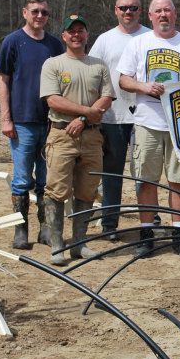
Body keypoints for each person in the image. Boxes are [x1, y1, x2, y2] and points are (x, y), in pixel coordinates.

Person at [118, 0, 180, 258]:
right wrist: (143, 86)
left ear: (175, 14)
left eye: (167, 10)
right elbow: (124, 80)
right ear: (150, 16)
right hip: (147, 123)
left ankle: (178, 234)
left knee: (178, 180)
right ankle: (146, 235)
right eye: (158, 11)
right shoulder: (139, 44)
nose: (163, 15)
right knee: (146, 180)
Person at [39, 14, 115, 265]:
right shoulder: (53, 64)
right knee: (57, 190)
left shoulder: (98, 65)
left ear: (86, 35)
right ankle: (58, 244)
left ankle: (79, 245)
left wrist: (83, 120)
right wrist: (84, 112)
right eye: (71, 31)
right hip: (61, 136)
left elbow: (106, 97)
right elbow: (53, 100)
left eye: (81, 30)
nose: (76, 35)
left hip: (92, 137)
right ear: (64, 36)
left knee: (87, 190)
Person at [0, 0, 64, 250]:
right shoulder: (13, 42)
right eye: (34, 11)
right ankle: (20, 231)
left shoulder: (54, 45)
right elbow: (3, 81)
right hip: (22, 122)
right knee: (22, 179)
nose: (39, 16)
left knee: (46, 180)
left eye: (44, 12)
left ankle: (45, 230)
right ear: (25, 12)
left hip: (50, 123)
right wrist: (6, 119)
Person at [88, 0, 149, 240]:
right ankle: (109, 224)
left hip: (145, 116)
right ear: (115, 10)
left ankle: (150, 221)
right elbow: (93, 74)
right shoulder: (104, 40)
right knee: (112, 173)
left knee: (144, 172)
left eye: (133, 8)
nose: (128, 12)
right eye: (123, 8)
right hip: (113, 117)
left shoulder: (150, 36)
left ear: (140, 10)